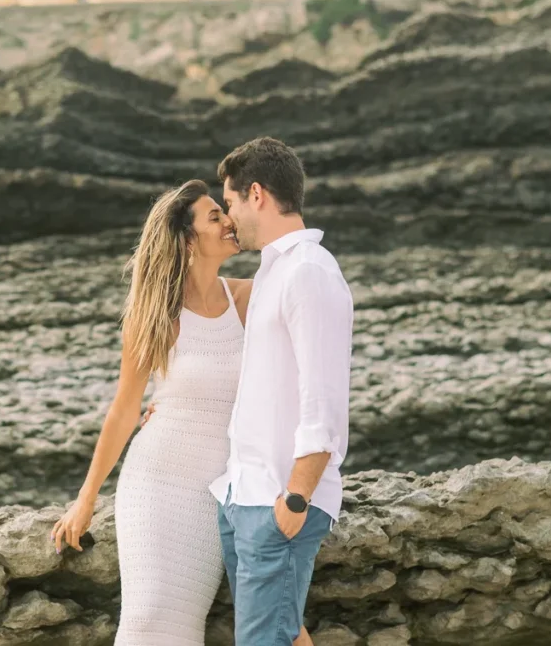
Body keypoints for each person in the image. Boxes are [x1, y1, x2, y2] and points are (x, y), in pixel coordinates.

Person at [51, 178, 249, 645]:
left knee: (184, 624)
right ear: (187, 240)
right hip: (158, 479)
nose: (228, 221)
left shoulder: (249, 298)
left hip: (217, 488)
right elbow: (124, 411)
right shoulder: (155, 315)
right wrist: (86, 498)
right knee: (148, 617)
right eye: (215, 216)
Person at [210, 137, 353, 645]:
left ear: (256, 194)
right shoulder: (274, 270)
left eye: (229, 203)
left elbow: (323, 397)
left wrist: (295, 498)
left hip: (278, 498)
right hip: (243, 494)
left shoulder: (309, 271)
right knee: (284, 637)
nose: (229, 219)